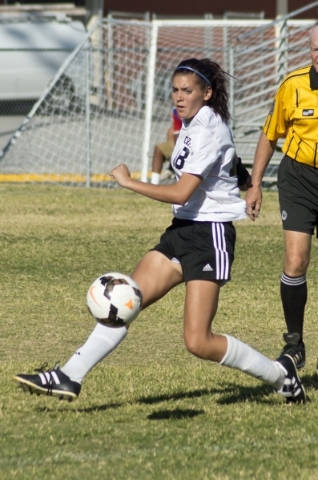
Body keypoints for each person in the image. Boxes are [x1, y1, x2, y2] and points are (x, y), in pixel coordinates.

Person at [14, 58, 306, 404]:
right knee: (125, 300)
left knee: (198, 341)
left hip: (209, 237)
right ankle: (69, 377)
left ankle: (281, 377)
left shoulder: (207, 128)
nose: (179, 98)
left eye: (188, 91)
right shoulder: (196, 122)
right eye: (175, 90)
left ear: (207, 93)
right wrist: (246, 182)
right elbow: (229, 161)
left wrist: (129, 182)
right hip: (182, 230)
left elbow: (182, 192)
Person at [245, 21, 318, 371]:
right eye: (315, 49)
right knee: (295, 261)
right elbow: (269, 135)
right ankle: (294, 344)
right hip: (299, 179)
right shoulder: (293, 85)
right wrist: (255, 183)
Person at [150, 107, 182, 185]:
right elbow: (176, 134)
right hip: (180, 143)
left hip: (196, 144)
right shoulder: (175, 111)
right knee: (159, 148)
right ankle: (154, 184)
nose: (178, 96)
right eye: (174, 93)